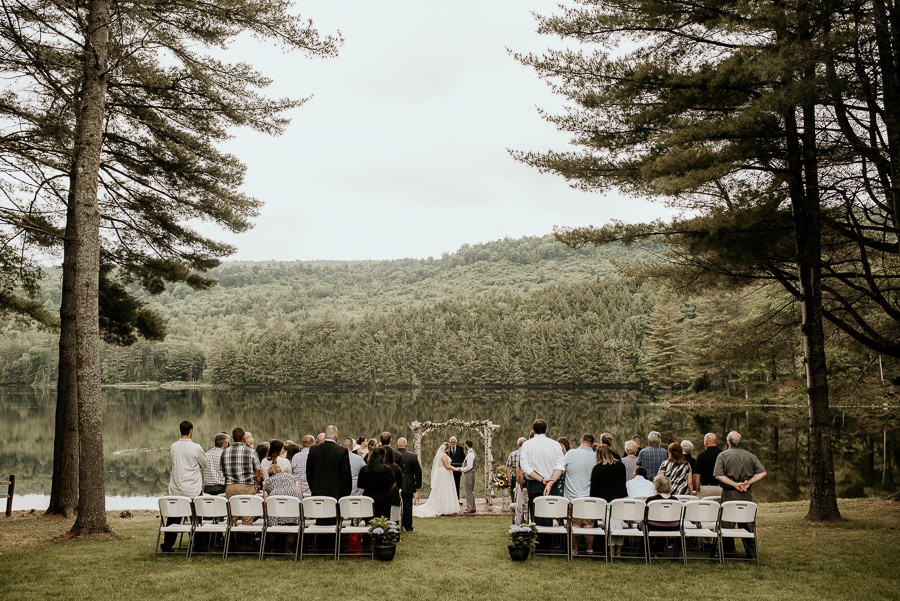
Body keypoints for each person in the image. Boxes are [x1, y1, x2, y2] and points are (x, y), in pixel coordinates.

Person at [714, 431, 766, 557]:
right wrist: (748, 483)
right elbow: (762, 473)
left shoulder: (723, 456)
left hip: (729, 494)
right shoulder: (751, 456)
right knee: (747, 522)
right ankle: (751, 553)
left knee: (727, 522)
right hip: (746, 495)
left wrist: (734, 484)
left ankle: (728, 551)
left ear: (728, 442)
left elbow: (718, 475)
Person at [161, 420, 207, 553]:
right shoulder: (196, 447)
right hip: (192, 488)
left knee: (174, 517)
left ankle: (168, 544)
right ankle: (199, 544)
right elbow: (204, 463)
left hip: (176, 487)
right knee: (196, 516)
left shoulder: (173, 446)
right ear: (191, 431)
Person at [518, 419, 565, 527]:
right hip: (552, 485)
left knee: (536, 516)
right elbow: (560, 466)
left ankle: (539, 542)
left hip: (535, 484)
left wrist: (542, 479)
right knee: (551, 515)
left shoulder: (527, 445)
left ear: (533, 430)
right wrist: (550, 483)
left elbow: (525, 467)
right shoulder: (555, 445)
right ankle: (550, 542)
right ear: (546, 430)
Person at [590, 444, 628, 557]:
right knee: (619, 526)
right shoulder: (621, 466)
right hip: (620, 500)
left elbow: (594, 489)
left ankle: (611, 551)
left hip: (605, 501)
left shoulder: (597, 469)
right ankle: (619, 552)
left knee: (609, 526)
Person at [563, 434, 597, 555]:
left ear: (580, 440)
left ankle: (575, 550)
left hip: (572, 497)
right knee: (588, 524)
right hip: (588, 497)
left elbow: (561, 471)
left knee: (575, 523)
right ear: (592, 444)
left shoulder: (570, 454)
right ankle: (589, 549)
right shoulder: (596, 456)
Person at [221, 426, 261, 524]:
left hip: (230, 487)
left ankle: (231, 538)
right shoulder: (251, 451)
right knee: (247, 517)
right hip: (246, 486)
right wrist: (255, 482)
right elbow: (257, 472)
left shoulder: (225, 452)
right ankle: (245, 538)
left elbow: (222, 470)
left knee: (232, 517)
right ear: (243, 438)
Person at [306, 425, 352, 506]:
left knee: (320, 517)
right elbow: (346, 474)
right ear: (336, 436)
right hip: (336, 495)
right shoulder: (342, 451)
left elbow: (309, 472)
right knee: (334, 517)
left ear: (325, 435)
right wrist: (345, 494)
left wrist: (313, 488)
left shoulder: (314, 450)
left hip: (318, 492)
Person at [413, 442, 461, 518]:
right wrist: (456, 469)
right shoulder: (443, 455)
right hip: (444, 473)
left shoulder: (440, 455)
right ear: (447, 449)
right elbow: (447, 466)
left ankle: (445, 506)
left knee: (444, 489)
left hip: (443, 473)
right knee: (443, 489)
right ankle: (443, 507)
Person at [642, 475, 680, 554]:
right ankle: (659, 549)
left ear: (656, 486)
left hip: (653, 525)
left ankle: (647, 550)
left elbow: (645, 515)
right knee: (663, 521)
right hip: (672, 526)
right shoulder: (675, 500)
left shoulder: (651, 500)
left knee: (644, 524)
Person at [357, 447, 397, 519]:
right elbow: (393, 484)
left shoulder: (364, 470)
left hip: (368, 499)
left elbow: (360, 485)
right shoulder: (387, 470)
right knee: (383, 521)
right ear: (383, 457)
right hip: (384, 499)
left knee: (368, 520)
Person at [396, 437, 422, 531]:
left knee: (395, 505)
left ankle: (394, 524)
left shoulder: (393, 455)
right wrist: (418, 485)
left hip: (395, 484)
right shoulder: (412, 456)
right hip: (408, 483)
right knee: (408, 506)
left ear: (397, 445)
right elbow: (418, 472)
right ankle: (408, 526)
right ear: (406, 445)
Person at [694, 432, 723, 498]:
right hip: (720, 488)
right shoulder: (722, 454)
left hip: (705, 488)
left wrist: (697, 489)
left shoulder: (702, 455)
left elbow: (696, 475)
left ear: (706, 442)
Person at [506, 437, 527, 524]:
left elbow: (507, 468)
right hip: (526, 480)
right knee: (525, 501)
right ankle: (525, 520)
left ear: (518, 445)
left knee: (515, 501)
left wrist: (509, 480)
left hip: (515, 479)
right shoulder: (528, 455)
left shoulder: (512, 454)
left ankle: (515, 521)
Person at [202, 432, 229, 496]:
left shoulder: (206, 455)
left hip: (207, 489)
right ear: (224, 444)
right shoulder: (225, 455)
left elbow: (203, 473)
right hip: (221, 489)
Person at [383, 445, 404, 522]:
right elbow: (400, 482)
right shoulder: (396, 467)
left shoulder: (379, 467)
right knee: (393, 519)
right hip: (393, 495)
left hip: (382, 496)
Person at [460, 440, 477, 513]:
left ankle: (471, 508)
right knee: (470, 490)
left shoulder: (470, 455)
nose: (464, 446)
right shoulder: (471, 453)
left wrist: (461, 469)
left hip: (469, 474)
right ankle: (471, 507)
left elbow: (469, 466)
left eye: (465, 445)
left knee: (469, 491)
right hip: (470, 474)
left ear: (467, 445)